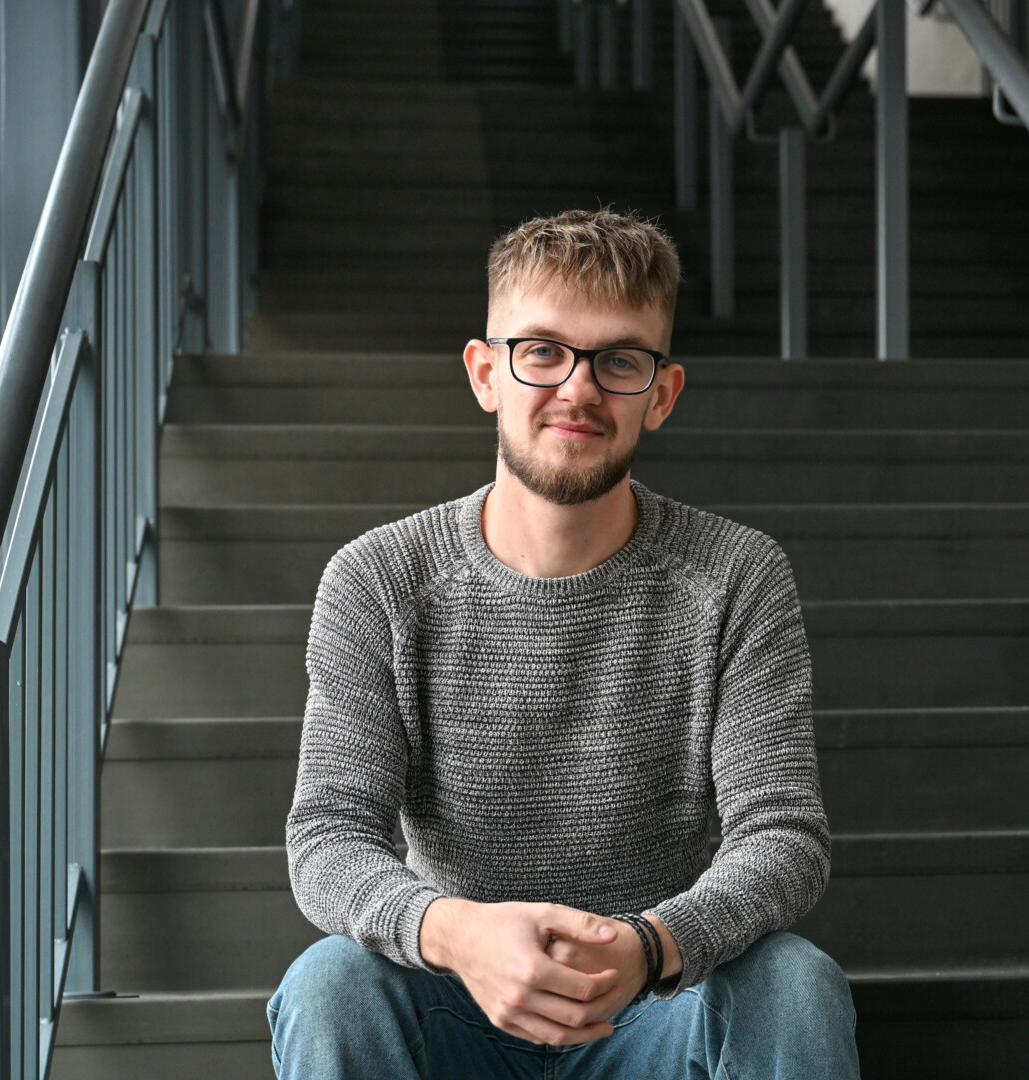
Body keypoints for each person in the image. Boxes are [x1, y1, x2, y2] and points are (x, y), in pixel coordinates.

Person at [267, 208, 858, 1078]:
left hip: (658, 1012)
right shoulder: (378, 580)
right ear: (486, 373)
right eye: (543, 351)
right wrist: (459, 934)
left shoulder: (737, 576)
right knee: (331, 984)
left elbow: (783, 836)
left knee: (794, 983)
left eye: (619, 360)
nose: (578, 389)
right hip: (454, 1008)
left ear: (662, 393)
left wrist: (650, 947)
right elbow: (328, 836)